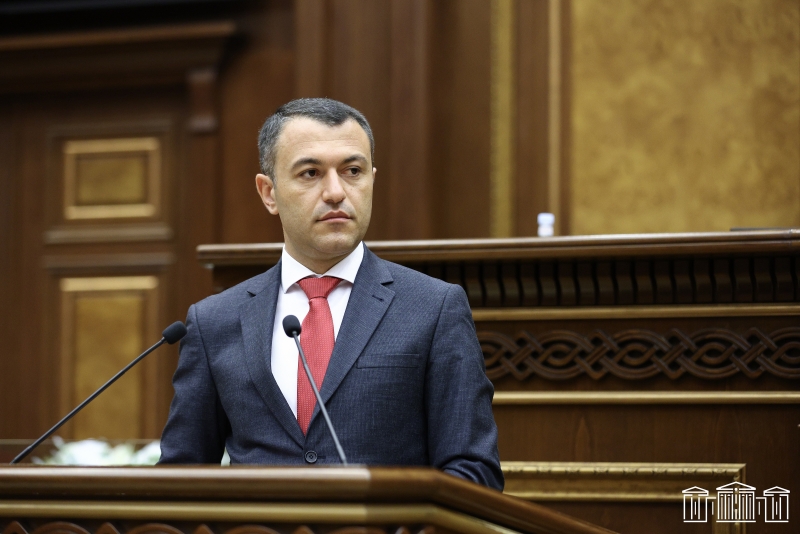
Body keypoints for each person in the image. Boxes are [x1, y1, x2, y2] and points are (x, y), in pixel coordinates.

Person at [159, 98, 503, 490]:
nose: (336, 192)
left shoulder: (433, 308)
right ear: (269, 192)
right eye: (311, 173)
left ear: (372, 179)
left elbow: (473, 472)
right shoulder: (214, 321)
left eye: (353, 171)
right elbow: (179, 478)